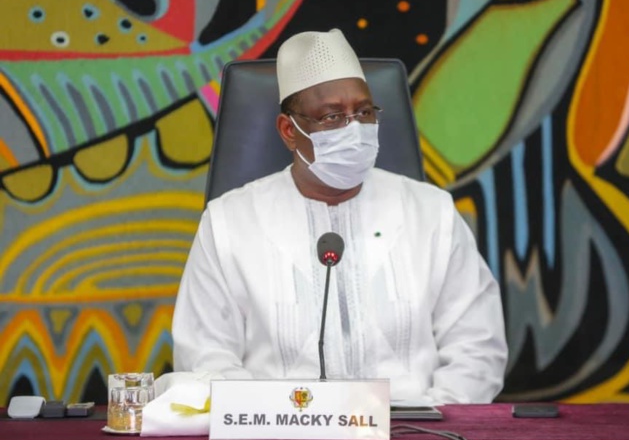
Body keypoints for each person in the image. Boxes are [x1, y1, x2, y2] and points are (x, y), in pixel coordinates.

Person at [172, 29, 507, 404]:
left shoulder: (432, 213)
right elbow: (205, 358)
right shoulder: (229, 223)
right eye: (333, 117)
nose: (355, 129)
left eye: (364, 112)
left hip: (418, 428)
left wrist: (430, 423)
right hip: (278, 430)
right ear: (289, 131)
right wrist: (271, 421)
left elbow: (477, 348)